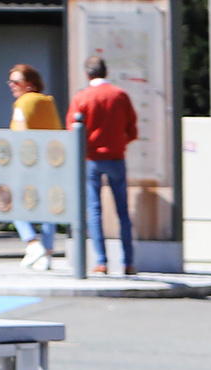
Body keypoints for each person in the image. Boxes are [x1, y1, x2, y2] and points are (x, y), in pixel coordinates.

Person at [68, 57, 138, 275]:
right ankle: (127, 262)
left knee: (94, 210)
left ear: (87, 74)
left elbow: (73, 131)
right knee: (123, 212)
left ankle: (101, 261)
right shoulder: (120, 95)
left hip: (91, 160)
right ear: (105, 72)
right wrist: (119, 143)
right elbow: (132, 129)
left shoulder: (82, 98)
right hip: (116, 158)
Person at [6, 65, 60, 271]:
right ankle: (46, 253)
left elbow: (21, 134)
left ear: (30, 83)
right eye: (10, 81)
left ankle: (32, 243)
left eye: (16, 81)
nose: (12, 86)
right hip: (52, 162)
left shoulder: (22, 103)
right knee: (49, 208)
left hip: (28, 163)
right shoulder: (48, 101)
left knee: (13, 201)